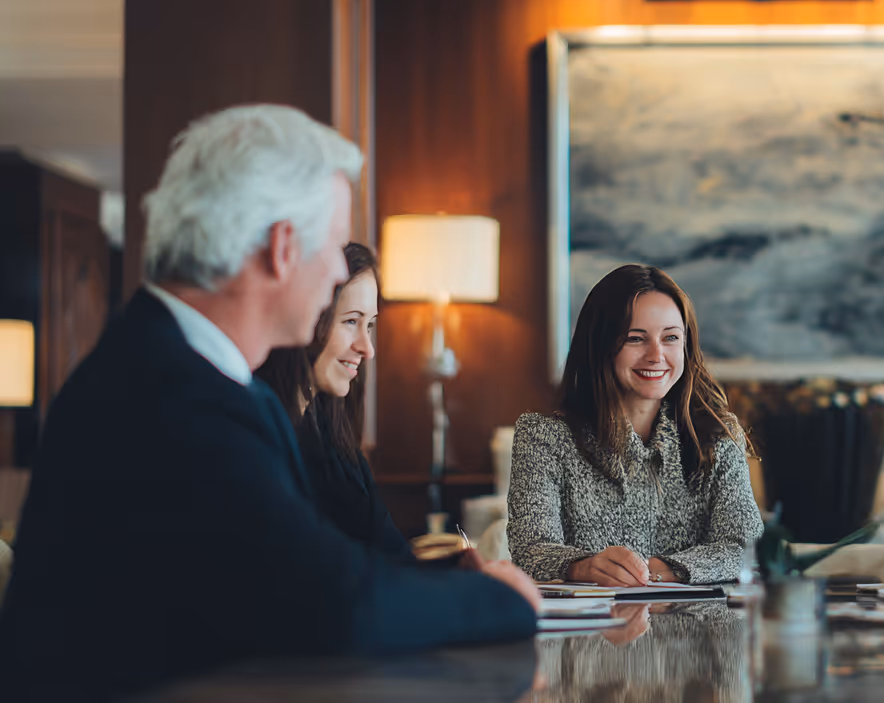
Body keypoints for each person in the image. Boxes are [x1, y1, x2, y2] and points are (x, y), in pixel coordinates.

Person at [0, 105, 541, 699]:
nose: (339, 268)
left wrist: (441, 576)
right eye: (335, 247)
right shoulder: (177, 394)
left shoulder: (173, 367)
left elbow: (306, 570)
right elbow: (334, 606)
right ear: (283, 248)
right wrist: (498, 601)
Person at [506, 264, 763, 586]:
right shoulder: (542, 435)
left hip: (699, 629)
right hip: (592, 632)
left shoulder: (718, 433)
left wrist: (660, 569)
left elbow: (747, 548)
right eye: (635, 339)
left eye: (670, 337)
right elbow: (530, 551)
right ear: (599, 344)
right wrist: (581, 567)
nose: (656, 355)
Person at [254, 242, 412, 560]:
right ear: (311, 318)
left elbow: (395, 557)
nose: (367, 348)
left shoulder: (334, 438)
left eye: (369, 326)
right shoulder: (261, 435)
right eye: (351, 322)